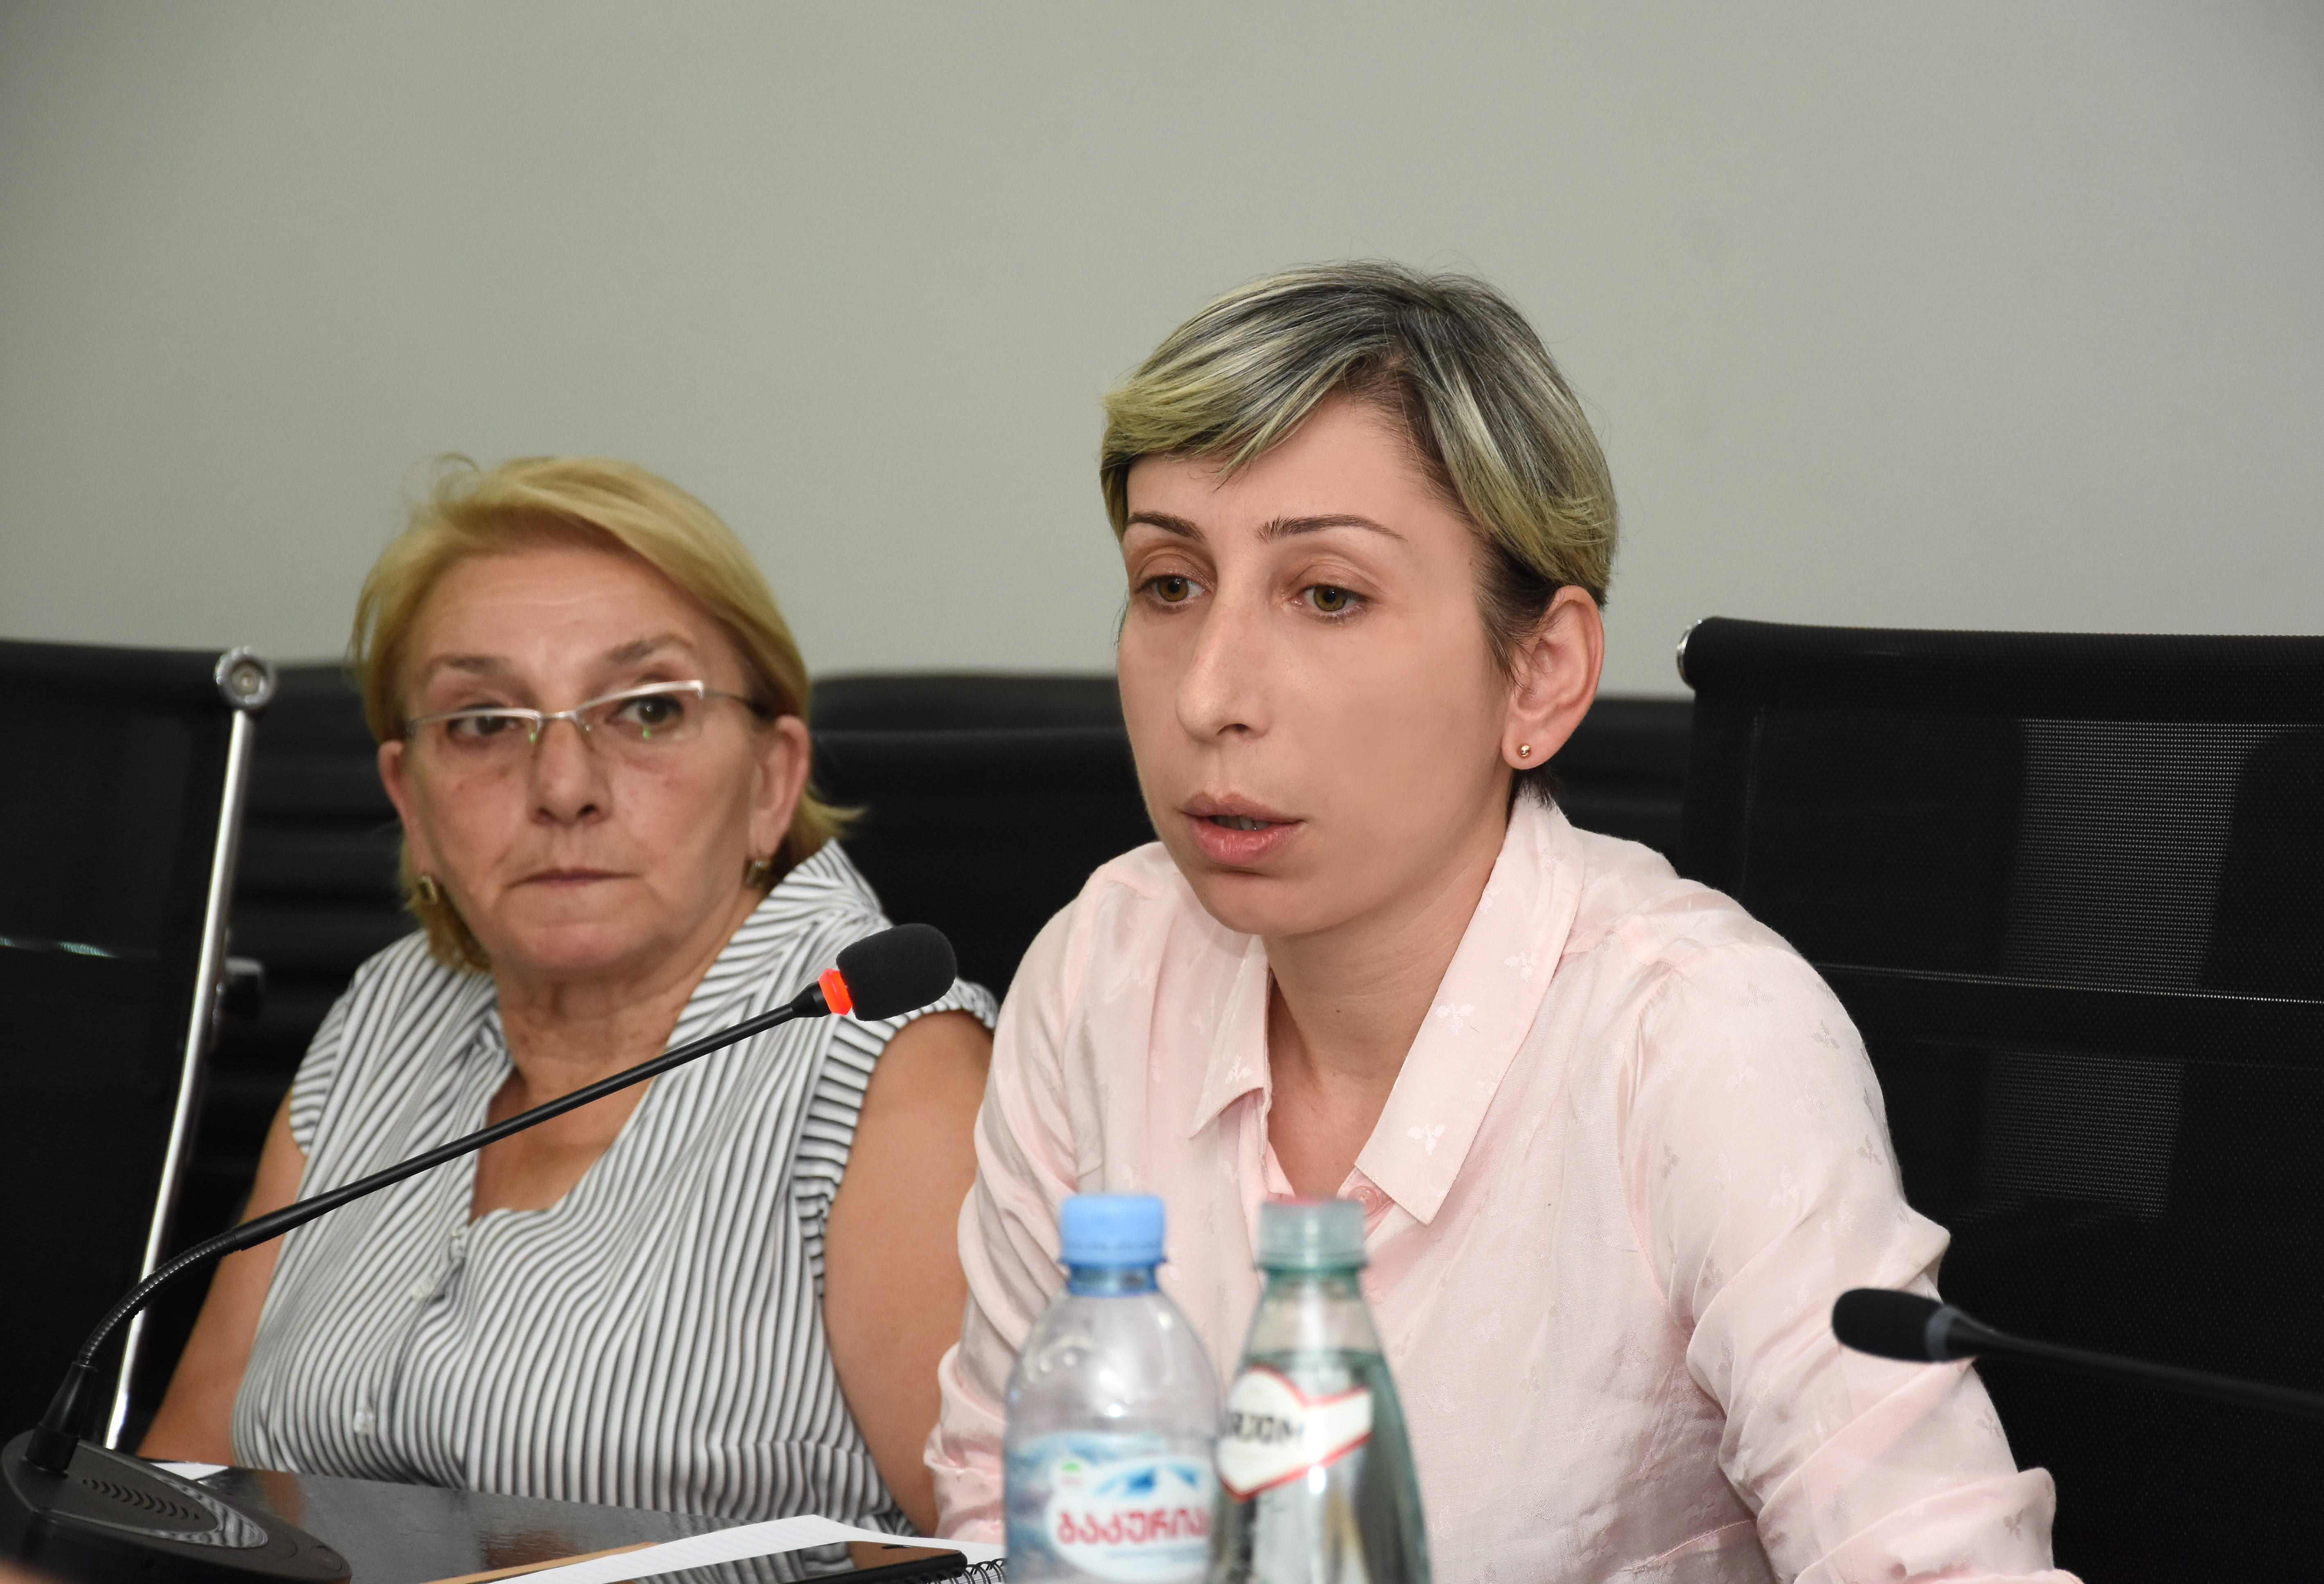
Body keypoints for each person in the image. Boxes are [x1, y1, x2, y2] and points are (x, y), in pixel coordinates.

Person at [927, 265, 2076, 1582]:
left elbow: (1937, 1564)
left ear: (1538, 675)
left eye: (1327, 594)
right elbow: (996, 1498)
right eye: (1171, 583)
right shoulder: (1104, 961)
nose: (1208, 695)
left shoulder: (1700, 1036)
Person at [142, 457, 994, 1535]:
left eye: (647, 710)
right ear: (412, 803)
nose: (562, 788)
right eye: (485, 722)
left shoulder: (891, 1064)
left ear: (772, 781)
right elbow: (178, 1496)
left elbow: (1002, 1553)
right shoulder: (383, 1017)